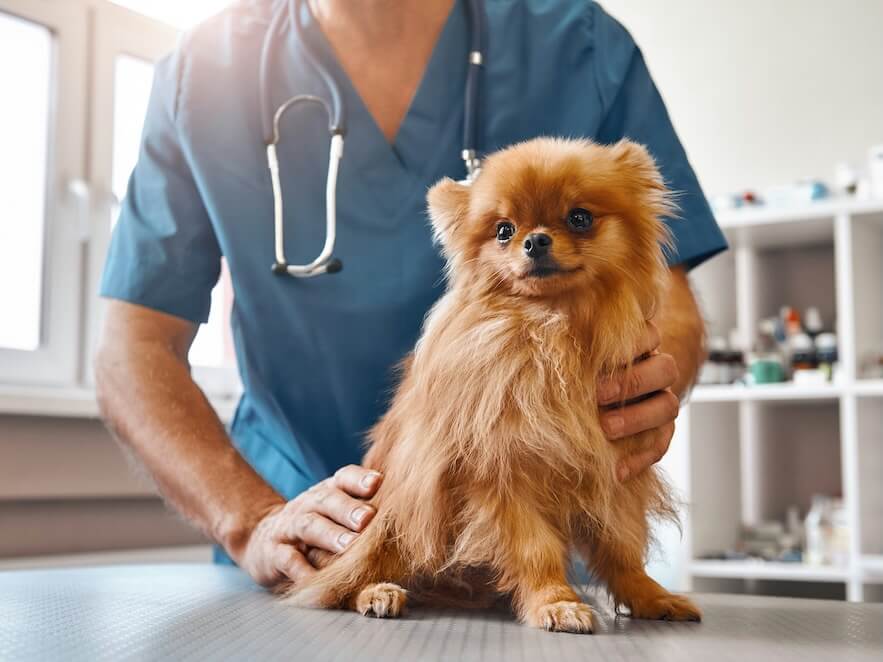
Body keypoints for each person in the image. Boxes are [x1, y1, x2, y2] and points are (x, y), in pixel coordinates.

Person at [95, 0, 727, 590]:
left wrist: (634, 389)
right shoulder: (204, 70)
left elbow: (666, 296)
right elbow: (133, 349)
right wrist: (253, 519)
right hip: (297, 531)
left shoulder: (576, 43)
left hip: (540, 540)